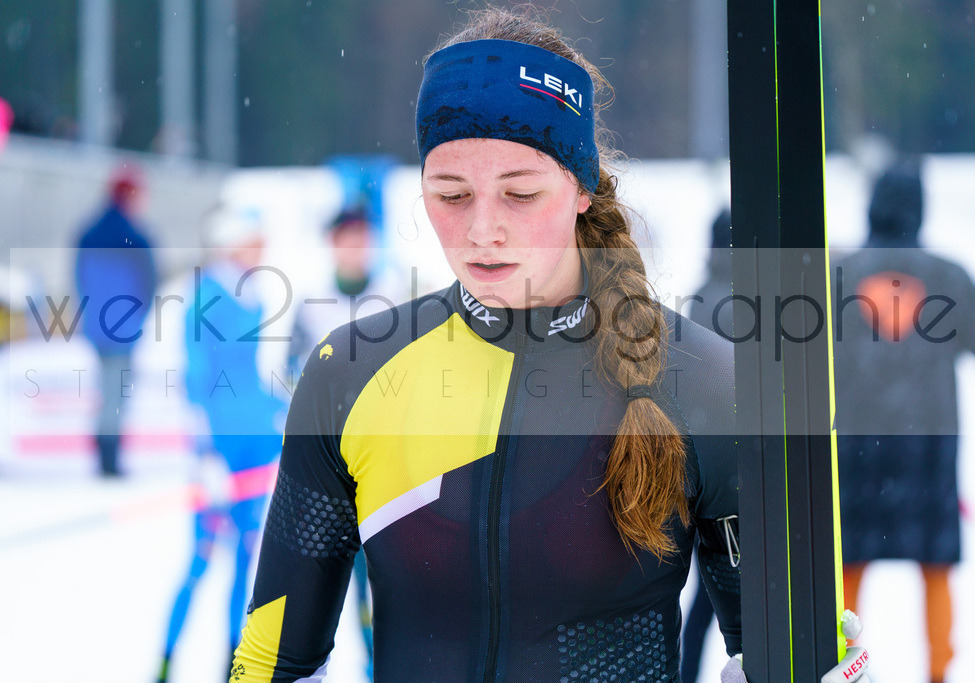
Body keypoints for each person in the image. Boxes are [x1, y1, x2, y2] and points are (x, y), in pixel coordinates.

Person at [232, 8, 867, 682]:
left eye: (519, 193)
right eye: (451, 193)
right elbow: (272, 662)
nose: (482, 230)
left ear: (583, 186)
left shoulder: (705, 386)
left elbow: (781, 660)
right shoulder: (353, 376)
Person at [833, 159, 975, 683]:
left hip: (855, 446)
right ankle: (939, 669)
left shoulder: (837, 273)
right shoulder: (947, 276)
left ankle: (836, 662)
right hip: (928, 446)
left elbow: (798, 360)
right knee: (935, 564)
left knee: (846, 564)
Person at [157, 206, 284, 683]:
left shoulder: (255, 294)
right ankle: (165, 659)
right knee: (201, 558)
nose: (262, 249)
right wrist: (204, 453)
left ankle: (234, 663)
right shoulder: (206, 297)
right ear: (233, 243)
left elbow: (249, 377)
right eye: (254, 240)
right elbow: (195, 379)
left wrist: (284, 408)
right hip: (220, 453)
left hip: (256, 446)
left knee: (245, 560)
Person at [285, 202, 410, 680]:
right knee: (323, 581)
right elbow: (292, 380)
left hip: (386, 463)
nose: (354, 249)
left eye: (362, 238)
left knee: (386, 578)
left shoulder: (394, 295)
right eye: (346, 239)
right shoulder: (312, 302)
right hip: (330, 464)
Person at [74, 165, 157, 476]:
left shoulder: (88, 233)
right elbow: (149, 284)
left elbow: (80, 281)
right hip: (124, 328)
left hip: (97, 327)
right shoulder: (136, 237)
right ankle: (109, 456)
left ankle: (103, 448)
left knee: (106, 388)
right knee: (117, 391)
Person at [681, 208, 733, 683]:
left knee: (705, 593)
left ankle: (684, 672)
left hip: (704, 463)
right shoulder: (756, 298)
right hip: (740, 466)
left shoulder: (702, 295)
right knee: (735, 590)